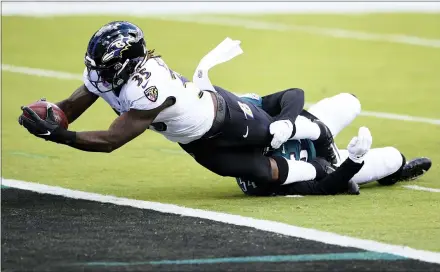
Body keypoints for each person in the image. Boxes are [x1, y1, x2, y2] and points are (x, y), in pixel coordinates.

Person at [18, 21, 430, 196]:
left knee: (300, 139)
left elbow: (111, 140)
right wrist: (53, 115)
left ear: (127, 64)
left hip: (226, 119)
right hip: (204, 144)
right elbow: (72, 105)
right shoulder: (111, 73)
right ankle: (376, 163)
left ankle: (377, 161)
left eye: (106, 68)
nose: (98, 76)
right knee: (261, 174)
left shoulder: (152, 88)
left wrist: (58, 135)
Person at [235, 93, 432, 196]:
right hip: (326, 162)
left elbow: (292, 95)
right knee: (394, 159)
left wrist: (289, 120)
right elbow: (324, 187)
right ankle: (394, 175)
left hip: (309, 126)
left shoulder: (244, 117)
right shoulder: (266, 182)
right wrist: (354, 161)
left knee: (350, 101)